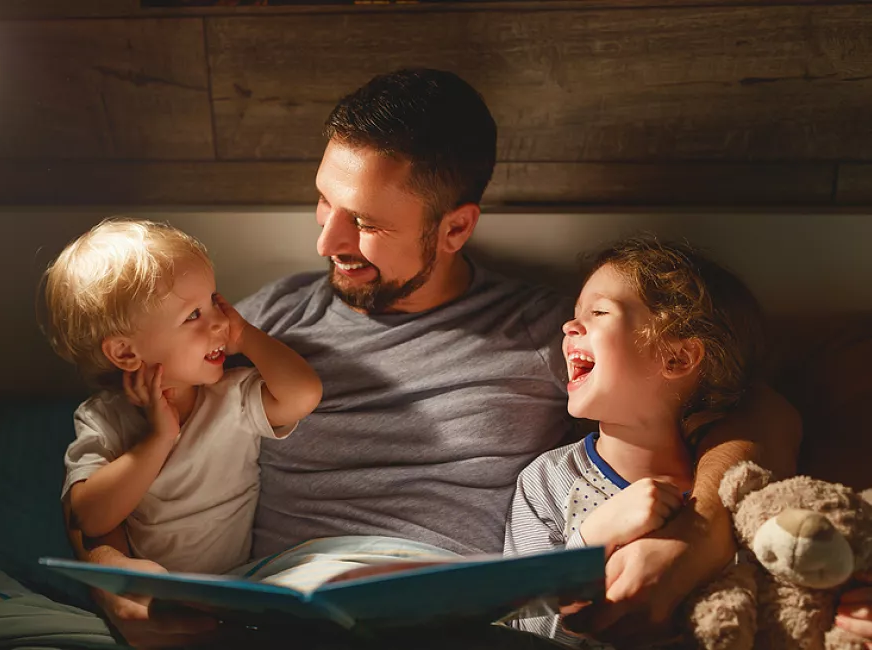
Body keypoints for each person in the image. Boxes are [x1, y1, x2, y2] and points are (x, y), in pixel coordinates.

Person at [65, 68, 870, 649]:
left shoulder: (549, 332)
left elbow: (761, 409)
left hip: (445, 615)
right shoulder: (258, 325)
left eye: (367, 225)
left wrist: (696, 533)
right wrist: (110, 579)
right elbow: (133, 459)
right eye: (324, 202)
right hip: (273, 604)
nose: (326, 242)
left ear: (454, 228)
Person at [504, 237, 766, 646]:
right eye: (576, 314)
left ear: (677, 358)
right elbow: (523, 632)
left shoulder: (736, 489)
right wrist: (592, 541)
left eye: (599, 312)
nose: (569, 326)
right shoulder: (547, 482)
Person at [42, 218, 322, 576]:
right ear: (126, 353)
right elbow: (90, 518)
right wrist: (159, 439)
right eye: (193, 315)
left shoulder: (230, 396)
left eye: (213, 303)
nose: (219, 321)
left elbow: (304, 394)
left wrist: (246, 336)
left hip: (237, 581)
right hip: (158, 595)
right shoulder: (103, 418)